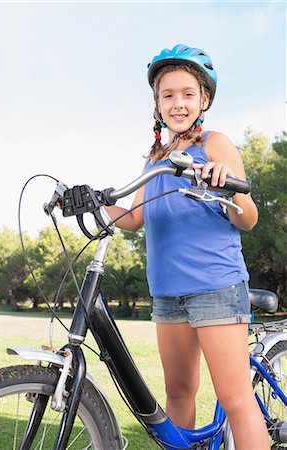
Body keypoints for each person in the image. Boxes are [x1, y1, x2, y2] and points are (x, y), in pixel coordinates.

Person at [107, 44, 270, 450]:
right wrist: (92, 202)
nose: (178, 103)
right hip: (168, 293)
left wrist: (224, 183)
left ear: (204, 99)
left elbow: (247, 218)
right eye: (168, 95)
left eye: (187, 94)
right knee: (178, 395)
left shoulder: (215, 145)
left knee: (235, 400)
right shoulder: (155, 159)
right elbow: (133, 219)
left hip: (215, 286)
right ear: (157, 104)